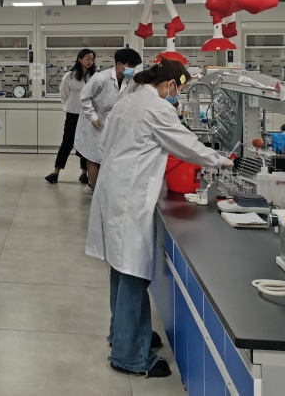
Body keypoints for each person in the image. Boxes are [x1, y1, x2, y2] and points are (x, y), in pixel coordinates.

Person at [86, 59, 233, 379]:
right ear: (171, 84)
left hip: (114, 188)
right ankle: (128, 354)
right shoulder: (157, 108)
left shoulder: (128, 101)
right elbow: (185, 145)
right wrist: (222, 160)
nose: (177, 96)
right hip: (130, 195)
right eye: (179, 89)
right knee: (132, 272)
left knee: (121, 270)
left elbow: (103, 143)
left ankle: (125, 333)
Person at [74, 48, 142, 193]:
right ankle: (95, 190)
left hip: (113, 123)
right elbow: (84, 97)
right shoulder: (101, 78)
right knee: (94, 157)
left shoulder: (131, 79)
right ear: (119, 64)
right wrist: (93, 117)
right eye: (130, 66)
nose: (132, 70)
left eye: (134, 67)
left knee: (109, 157)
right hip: (95, 124)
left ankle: (103, 189)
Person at [45, 49, 95, 184]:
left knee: (85, 143)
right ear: (79, 59)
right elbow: (63, 94)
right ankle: (56, 172)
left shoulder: (95, 76)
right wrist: (73, 103)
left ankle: (84, 173)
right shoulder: (70, 76)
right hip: (73, 112)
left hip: (88, 114)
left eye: (92, 59)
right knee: (67, 142)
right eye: (87, 58)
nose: (90, 61)